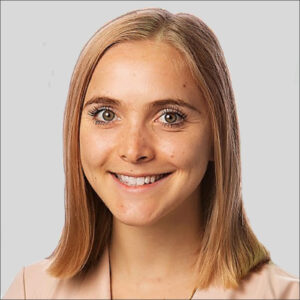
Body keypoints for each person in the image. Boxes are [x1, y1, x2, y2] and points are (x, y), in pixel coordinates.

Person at [3, 7, 299, 299]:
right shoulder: (32, 291)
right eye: (107, 115)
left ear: (216, 138)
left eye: (170, 117)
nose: (133, 151)